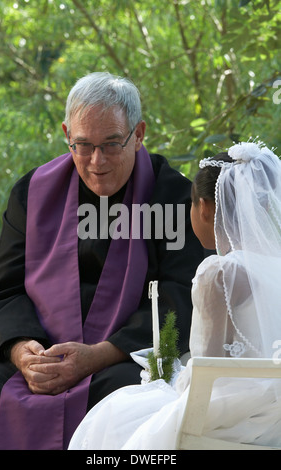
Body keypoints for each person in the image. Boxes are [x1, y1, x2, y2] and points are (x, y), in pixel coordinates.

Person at [0, 72, 204, 450]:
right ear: (67, 133)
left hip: (124, 359)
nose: (96, 161)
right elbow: (1, 289)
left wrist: (98, 356)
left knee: (124, 400)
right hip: (40, 357)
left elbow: (183, 295)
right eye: (82, 145)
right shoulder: (32, 193)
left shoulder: (173, 197)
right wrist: (23, 352)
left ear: (138, 134)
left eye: (112, 144)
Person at [68, 140, 281, 450]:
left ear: (204, 208)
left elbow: (204, 371)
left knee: (114, 415)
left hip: (225, 415)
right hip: (272, 411)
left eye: (191, 205)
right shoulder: (274, 267)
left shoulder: (218, 273)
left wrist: (167, 378)